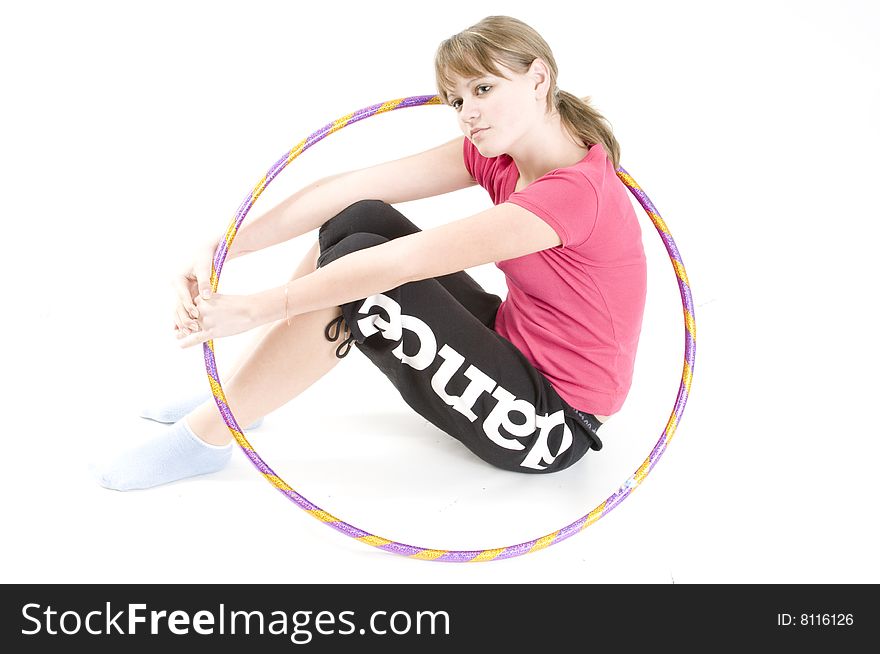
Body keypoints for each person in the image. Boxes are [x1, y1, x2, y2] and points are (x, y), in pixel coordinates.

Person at [92, 15, 646, 491]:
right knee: (360, 220)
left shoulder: (573, 196)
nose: (467, 113)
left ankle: (209, 436)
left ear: (538, 77)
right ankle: (244, 399)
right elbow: (351, 188)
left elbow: (403, 263)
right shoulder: (499, 156)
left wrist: (257, 306)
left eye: (482, 89)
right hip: (513, 348)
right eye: (456, 100)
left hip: (549, 422)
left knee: (369, 277)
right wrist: (222, 248)